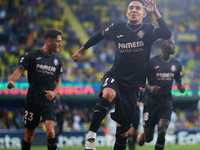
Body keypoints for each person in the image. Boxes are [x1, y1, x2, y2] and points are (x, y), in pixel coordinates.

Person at [71, 0, 171, 149]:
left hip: (132, 86)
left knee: (123, 133)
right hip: (115, 76)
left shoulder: (149, 30)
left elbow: (166, 33)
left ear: (143, 13)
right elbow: (99, 35)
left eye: (138, 8)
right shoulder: (117, 27)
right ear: (127, 13)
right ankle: (91, 137)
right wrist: (81, 50)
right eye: (131, 8)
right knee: (108, 94)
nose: (134, 10)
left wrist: (155, 12)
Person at [7, 28, 63, 150]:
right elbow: (20, 69)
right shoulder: (31, 56)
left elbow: (58, 80)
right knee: (29, 135)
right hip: (33, 101)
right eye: (58, 41)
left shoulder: (58, 60)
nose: (61, 44)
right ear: (49, 41)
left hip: (48, 101)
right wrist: (12, 80)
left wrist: (54, 92)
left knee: (51, 132)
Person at [137, 38, 185, 150]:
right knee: (149, 138)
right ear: (163, 46)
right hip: (151, 101)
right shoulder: (151, 62)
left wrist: (180, 86)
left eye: (174, 44)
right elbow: (140, 80)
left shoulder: (176, 64)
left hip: (166, 101)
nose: (174, 46)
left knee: (162, 129)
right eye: (171, 44)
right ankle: (143, 136)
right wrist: (150, 87)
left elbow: (178, 80)